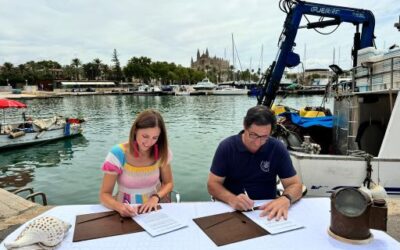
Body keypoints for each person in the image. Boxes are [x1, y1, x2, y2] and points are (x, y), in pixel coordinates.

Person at [207, 105, 303, 220]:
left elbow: (295, 185)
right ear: (245, 126)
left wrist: (285, 199)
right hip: (232, 209)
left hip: (267, 210)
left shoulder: (277, 148)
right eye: (253, 135)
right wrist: (231, 199)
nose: (258, 143)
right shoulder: (227, 147)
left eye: (264, 137)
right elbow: (212, 184)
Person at [100, 109, 173, 217]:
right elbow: (104, 195)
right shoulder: (118, 154)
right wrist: (119, 207)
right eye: (145, 136)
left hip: (156, 208)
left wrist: (155, 198)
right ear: (135, 131)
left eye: (155, 138)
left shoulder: (162, 151)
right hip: (126, 211)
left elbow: (168, 183)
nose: (149, 143)